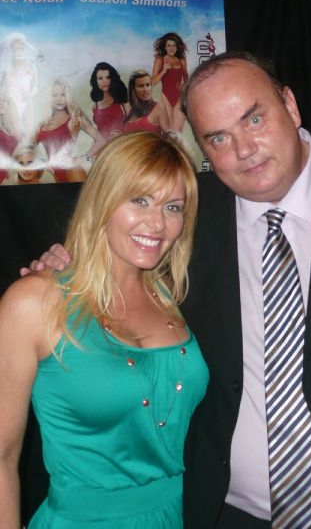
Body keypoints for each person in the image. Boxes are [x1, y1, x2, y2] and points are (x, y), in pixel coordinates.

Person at [24, 52, 311, 529]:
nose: (244, 149)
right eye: (219, 138)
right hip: (229, 514)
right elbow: (117, 265)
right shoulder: (184, 223)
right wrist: (61, 266)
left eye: (254, 118)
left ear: (290, 105)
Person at [1, 132, 208, 527]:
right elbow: (2, 456)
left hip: (177, 515)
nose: (157, 223)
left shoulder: (176, 296)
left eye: (173, 207)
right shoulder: (33, 303)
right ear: (102, 199)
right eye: (139, 200)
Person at [36, 78, 104, 182]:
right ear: (49, 97)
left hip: (72, 171)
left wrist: (83, 158)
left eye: (63, 94)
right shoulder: (43, 124)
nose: (59, 99)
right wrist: (44, 163)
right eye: (54, 95)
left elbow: (101, 141)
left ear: (68, 96)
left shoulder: (75, 118)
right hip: (57, 176)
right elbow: (29, 148)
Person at [151, 33, 188, 132]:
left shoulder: (182, 60)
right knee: (169, 131)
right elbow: (153, 82)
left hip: (179, 97)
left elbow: (186, 76)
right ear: (165, 47)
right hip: (166, 97)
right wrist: (163, 71)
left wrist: (185, 87)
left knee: (178, 131)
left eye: (174, 46)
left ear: (177, 47)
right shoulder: (160, 60)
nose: (171, 48)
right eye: (169, 45)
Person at [90, 62, 130, 141]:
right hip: (103, 147)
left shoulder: (122, 101)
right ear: (96, 81)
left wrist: (122, 134)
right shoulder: (95, 107)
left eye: (108, 77)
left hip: (121, 143)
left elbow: (133, 123)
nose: (104, 81)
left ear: (113, 79)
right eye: (100, 78)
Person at [123, 69, 170, 135]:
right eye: (140, 86)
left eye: (148, 85)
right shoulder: (129, 109)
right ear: (133, 89)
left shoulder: (159, 107)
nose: (145, 89)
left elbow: (169, 136)